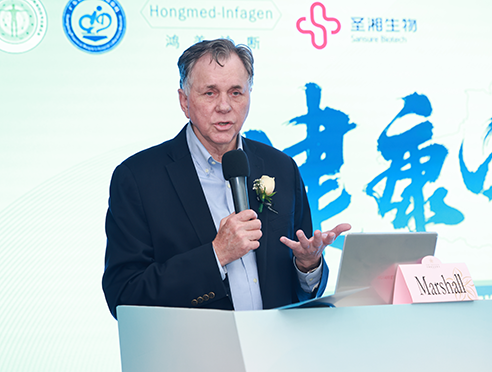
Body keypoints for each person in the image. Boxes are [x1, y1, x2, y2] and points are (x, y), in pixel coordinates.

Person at [102, 39, 351, 318]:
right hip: (194, 345)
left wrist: (307, 266)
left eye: (236, 92)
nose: (224, 106)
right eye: (210, 93)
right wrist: (216, 255)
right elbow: (124, 295)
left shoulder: (281, 167)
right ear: (184, 101)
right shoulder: (139, 178)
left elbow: (298, 292)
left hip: (276, 343)